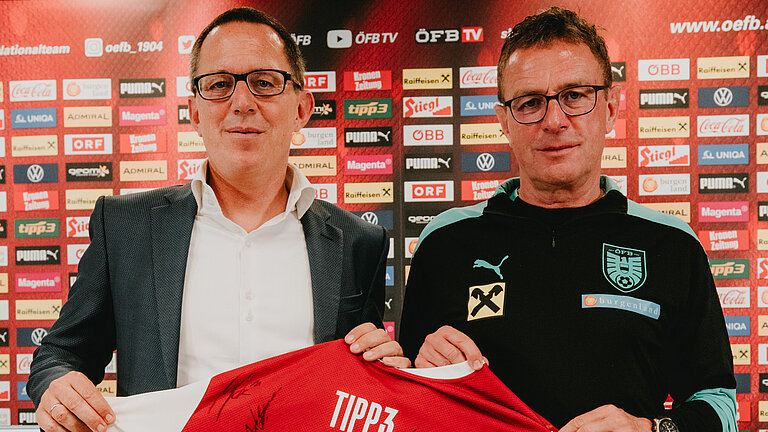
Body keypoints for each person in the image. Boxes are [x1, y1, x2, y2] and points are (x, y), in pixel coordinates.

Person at [29, 7, 407, 432]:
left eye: (265, 83)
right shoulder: (126, 227)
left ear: (302, 108)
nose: (242, 103)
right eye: (219, 85)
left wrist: (385, 372)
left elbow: (363, 386)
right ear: (194, 111)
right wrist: (57, 385)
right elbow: (60, 354)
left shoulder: (360, 242)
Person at [399, 7, 736, 432]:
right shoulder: (446, 241)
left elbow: (719, 404)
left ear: (611, 108)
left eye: (575, 95)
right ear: (504, 120)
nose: (554, 121)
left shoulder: (672, 244)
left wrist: (649, 429)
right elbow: (401, 402)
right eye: (530, 102)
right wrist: (417, 370)